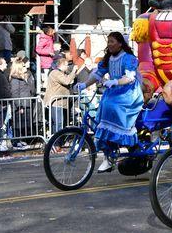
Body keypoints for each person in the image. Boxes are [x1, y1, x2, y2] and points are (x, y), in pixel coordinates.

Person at [77, 32, 144, 173]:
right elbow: (97, 74)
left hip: (128, 93)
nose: (109, 44)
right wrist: (84, 84)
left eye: (112, 41)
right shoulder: (108, 59)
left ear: (120, 43)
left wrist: (115, 81)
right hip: (114, 92)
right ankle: (108, 157)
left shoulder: (128, 58)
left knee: (110, 106)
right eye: (108, 41)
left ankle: (124, 145)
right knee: (104, 106)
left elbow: (130, 78)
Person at [10, 57, 36, 147]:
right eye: (23, 66)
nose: (25, 67)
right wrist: (19, 106)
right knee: (18, 124)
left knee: (25, 124)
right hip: (20, 105)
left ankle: (22, 140)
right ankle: (16, 141)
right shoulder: (15, 80)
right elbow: (15, 93)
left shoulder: (25, 77)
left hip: (27, 103)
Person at [45, 57, 77, 134]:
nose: (68, 67)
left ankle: (55, 142)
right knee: (58, 123)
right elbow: (66, 81)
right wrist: (73, 71)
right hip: (56, 102)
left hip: (62, 103)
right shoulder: (55, 73)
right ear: (61, 65)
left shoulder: (63, 73)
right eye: (66, 65)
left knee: (60, 123)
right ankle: (56, 143)